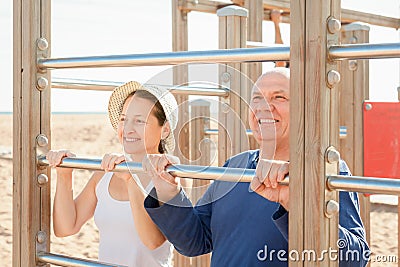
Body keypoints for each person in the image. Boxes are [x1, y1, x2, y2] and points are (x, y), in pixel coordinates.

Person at [142, 68, 369, 266]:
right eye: (257, 98)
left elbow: (356, 258)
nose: (263, 107)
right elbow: (194, 242)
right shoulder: (236, 166)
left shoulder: (327, 171)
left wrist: (296, 207)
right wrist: (168, 192)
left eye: (278, 97)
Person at [47, 81, 191, 267]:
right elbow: (66, 227)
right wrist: (64, 175)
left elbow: (153, 241)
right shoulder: (105, 174)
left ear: (164, 130)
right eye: (124, 119)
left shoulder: (171, 174)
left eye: (139, 120)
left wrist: (131, 179)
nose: (128, 128)